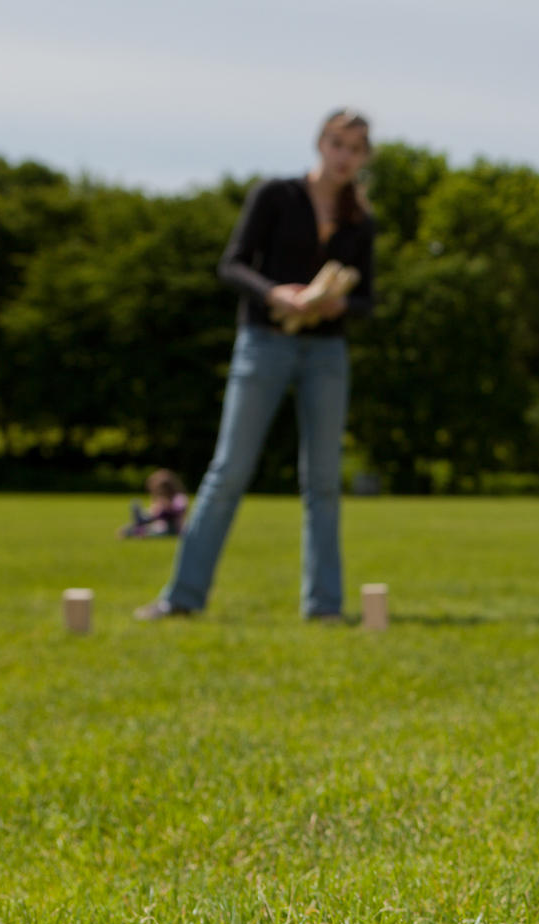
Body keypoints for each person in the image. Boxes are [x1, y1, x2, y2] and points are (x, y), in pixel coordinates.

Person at [135, 108, 376, 621]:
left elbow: (368, 299)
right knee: (228, 471)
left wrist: (339, 304)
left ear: (363, 158)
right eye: (338, 143)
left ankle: (324, 606)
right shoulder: (275, 195)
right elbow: (232, 264)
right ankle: (182, 598)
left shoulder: (361, 219)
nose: (345, 155)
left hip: (327, 353)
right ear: (321, 143)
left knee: (324, 481)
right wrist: (276, 294)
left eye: (355, 148)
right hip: (263, 342)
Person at [118, 469, 188, 538]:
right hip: (159, 524)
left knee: (158, 528)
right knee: (151, 523)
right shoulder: (161, 499)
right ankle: (139, 524)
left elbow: (179, 512)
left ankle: (139, 529)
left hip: (173, 527)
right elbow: (154, 514)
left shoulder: (178, 498)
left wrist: (166, 507)